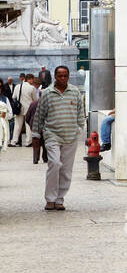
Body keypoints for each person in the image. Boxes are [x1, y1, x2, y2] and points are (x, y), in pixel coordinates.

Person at [31, 64, 86, 211]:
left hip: (71, 137)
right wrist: (36, 134)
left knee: (66, 170)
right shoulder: (47, 93)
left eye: (65, 75)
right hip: (52, 135)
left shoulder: (75, 92)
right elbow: (39, 116)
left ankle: (60, 199)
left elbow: (81, 113)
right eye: (60, 75)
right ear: (55, 77)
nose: (62, 78)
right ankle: (50, 199)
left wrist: (79, 128)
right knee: (54, 164)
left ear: (68, 76)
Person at [12, 74, 38, 148]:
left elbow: (14, 97)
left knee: (17, 125)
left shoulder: (17, 86)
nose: (33, 81)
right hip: (28, 109)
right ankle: (28, 142)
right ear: (29, 79)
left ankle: (14, 142)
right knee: (28, 126)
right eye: (32, 79)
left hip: (18, 109)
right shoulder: (32, 88)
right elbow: (35, 100)